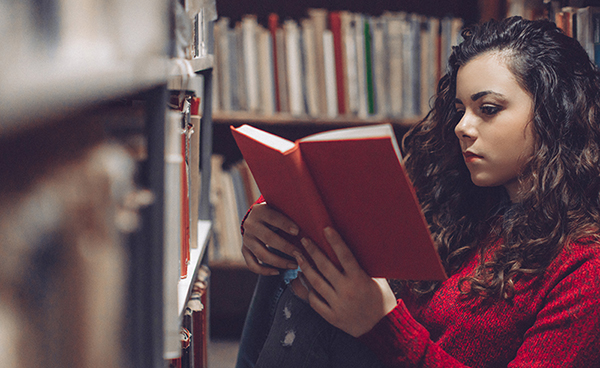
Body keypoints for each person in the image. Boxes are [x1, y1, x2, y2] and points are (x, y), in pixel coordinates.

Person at [236, 16, 600, 367]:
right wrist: (265, 217)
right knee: (307, 258)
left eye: (487, 109)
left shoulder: (585, 266)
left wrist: (383, 324)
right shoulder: (461, 196)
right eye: (460, 110)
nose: (463, 127)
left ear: (555, 114)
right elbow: (340, 210)